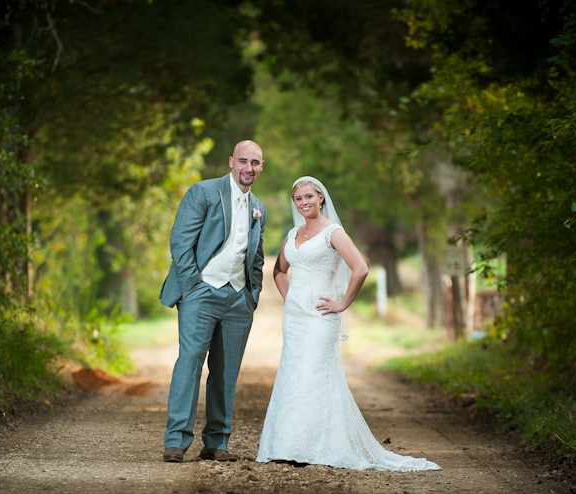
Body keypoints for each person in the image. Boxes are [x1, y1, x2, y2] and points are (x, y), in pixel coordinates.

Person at [255, 176, 440, 472]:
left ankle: (315, 445)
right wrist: (289, 298)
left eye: (309, 197)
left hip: (322, 316)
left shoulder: (333, 232)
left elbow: (361, 268)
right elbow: (278, 271)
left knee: (314, 374)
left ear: (321, 199)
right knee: (293, 374)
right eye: (299, 199)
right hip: (295, 319)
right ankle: (287, 445)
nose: (304, 202)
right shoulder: (291, 235)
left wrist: (342, 303)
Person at [160, 140, 267, 463]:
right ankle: (176, 441)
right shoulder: (204, 192)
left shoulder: (258, 206)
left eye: (256, 163)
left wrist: (252, 295)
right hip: (201, 293)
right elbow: (181, 242)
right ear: (232, 162)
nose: (249, 168)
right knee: (189, 362)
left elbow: (257, 257)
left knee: (225, 372)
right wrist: (193, 285)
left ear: (262, 167)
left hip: (238, 299)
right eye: (244, 161)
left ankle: (217, 443)